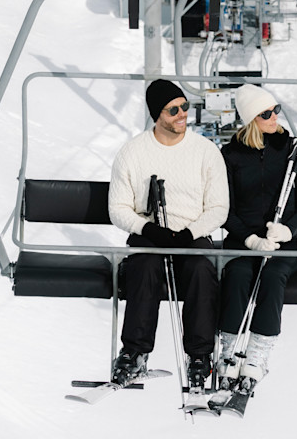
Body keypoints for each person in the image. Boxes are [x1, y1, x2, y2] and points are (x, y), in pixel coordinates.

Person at [108, 79, 230, 388]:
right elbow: (118, 208)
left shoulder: (205, 151)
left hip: (192, 235)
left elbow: (218, 207)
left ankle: (200, 357)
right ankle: (134, 353)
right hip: (150, 235)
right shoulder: (133, 153)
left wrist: (190, 233)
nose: (182, 114)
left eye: (185, 106)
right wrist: (147, 228)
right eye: (173, 109)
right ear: (157, 114)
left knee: (201, 270)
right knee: (144, 266)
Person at [217, 84, 297, 390]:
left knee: (273, 277)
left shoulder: (290, 150)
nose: (275, 117)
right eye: (266, 113)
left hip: (285, 242)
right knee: (237, 274)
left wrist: (289, 228)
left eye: (276, 110)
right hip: (243, 241)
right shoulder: (230, 155)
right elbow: (224, 209)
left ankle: (258, 353)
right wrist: (249, 239)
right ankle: (229, 351)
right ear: (250, 119)